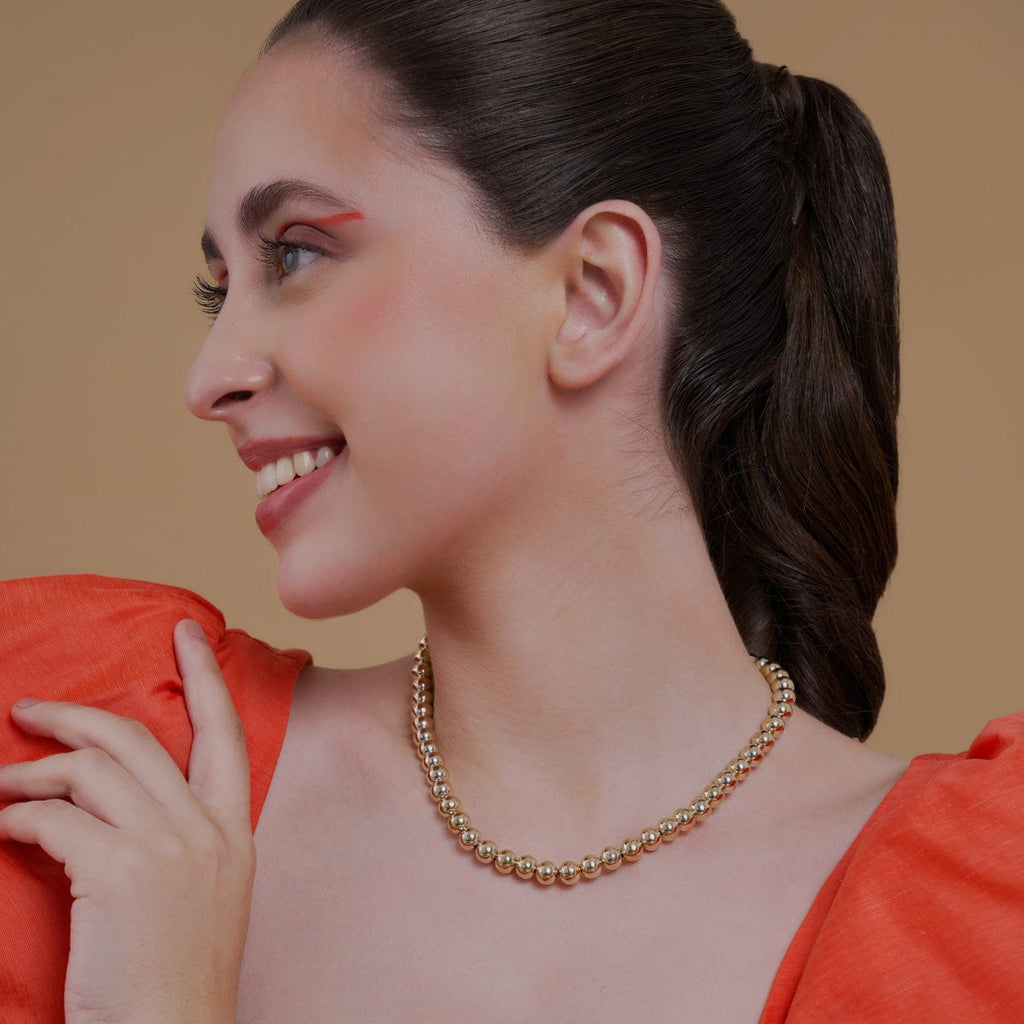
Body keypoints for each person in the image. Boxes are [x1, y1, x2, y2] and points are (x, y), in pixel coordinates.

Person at [0, 1, 1021, 1021]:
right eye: (217, 291)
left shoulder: (980, 913)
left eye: (295, 253)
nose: (209, 376)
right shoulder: (93, 766)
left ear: (591, 293)